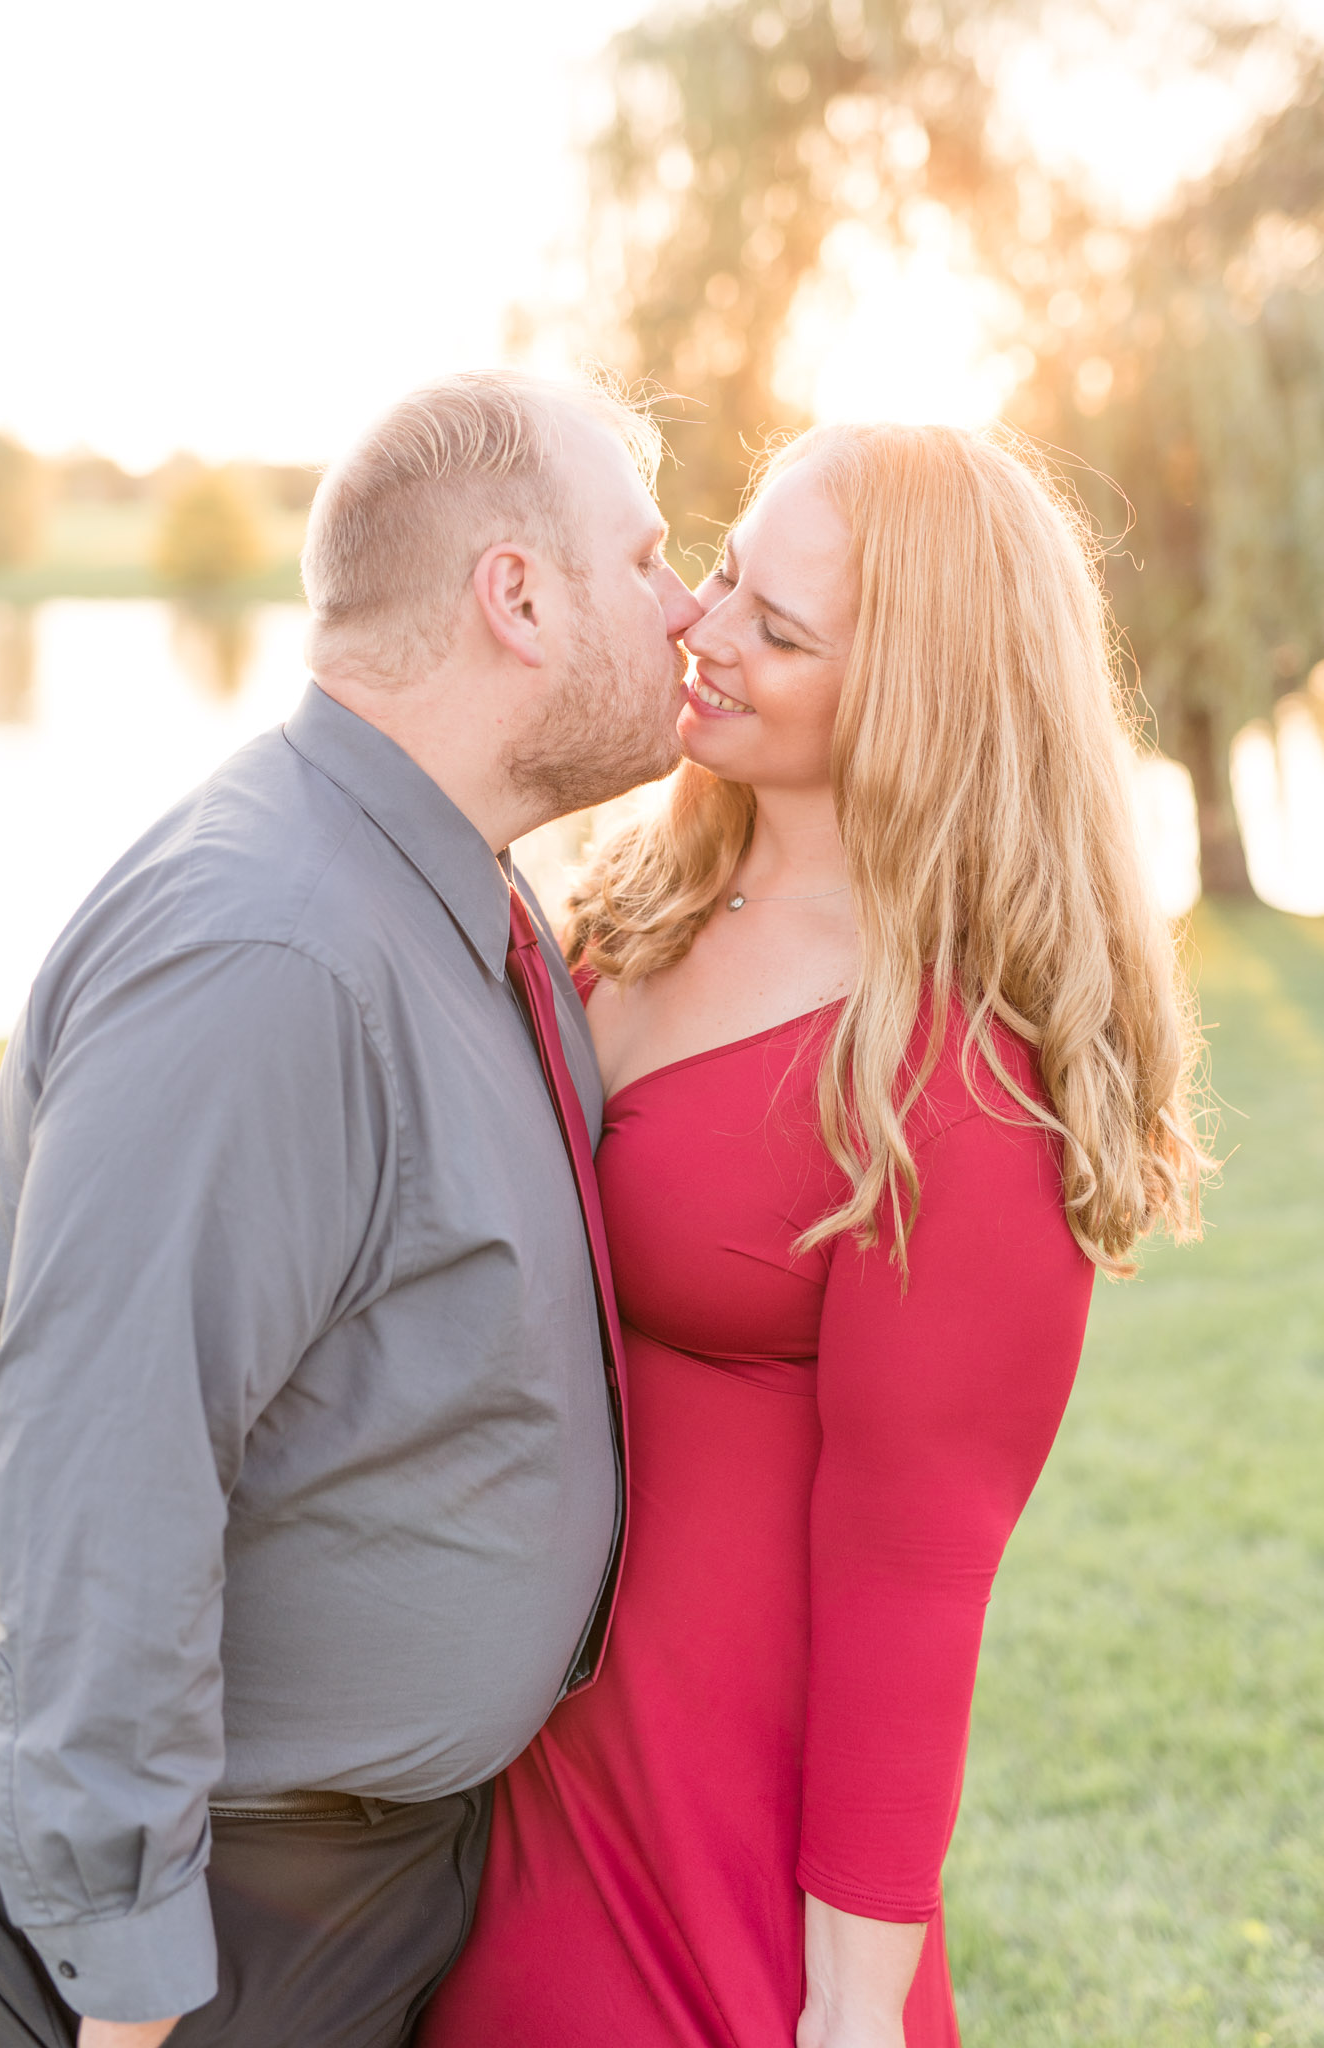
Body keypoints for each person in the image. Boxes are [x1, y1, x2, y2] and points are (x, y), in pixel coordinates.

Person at [418, 421, 1208, 2048]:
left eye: (781, 631)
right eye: (722, 576)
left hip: (709, 1845)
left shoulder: (960, 1083)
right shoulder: (633, 897)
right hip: (509, 1778)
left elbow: (915, 1583)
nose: (704, 631)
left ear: (916, 702)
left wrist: (847, 2012)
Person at [0, 371, 701, 2048]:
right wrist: (133, 1999)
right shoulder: (271, 953)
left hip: (347, 1877)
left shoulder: (445, 884)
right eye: (647, 560)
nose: (688, 605)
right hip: (220, 1910)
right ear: (516, 596)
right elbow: (104, 1476)